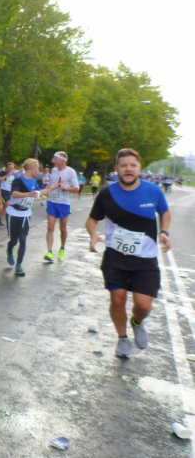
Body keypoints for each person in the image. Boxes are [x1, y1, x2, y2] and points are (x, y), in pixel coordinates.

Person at [86, 148, 171, 358]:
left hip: (145, 259)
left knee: (143, 305)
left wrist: (164, 232)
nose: (128, 169)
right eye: (124, 165)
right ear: (117, 169)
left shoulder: (153, 191)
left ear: (139, 167)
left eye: (133, 165)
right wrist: (93, 235)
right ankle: (122, 338)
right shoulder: (107, 194)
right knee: (118, 300)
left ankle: (137, 322)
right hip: (115, 257)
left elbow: (165, 212)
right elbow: (92, 220)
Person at [5, 159, 57, 276]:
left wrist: (54, 187)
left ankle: (19, 265)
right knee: (14, 240)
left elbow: (40, 192)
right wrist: (28, 194)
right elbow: (14, 194)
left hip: (25, 214)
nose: (38, 170)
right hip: (14, 213)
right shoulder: (18, 180)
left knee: (23, 239)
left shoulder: (33, 181)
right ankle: (9, 251)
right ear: (31, 168)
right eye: (37, 168)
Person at [43, 152, 80, 262]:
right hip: (52, 201)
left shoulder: (70, 172)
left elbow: (76, 188)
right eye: (53, 159)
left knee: (63, 229)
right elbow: (51, 183)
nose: (53, 161)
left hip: (63, 203)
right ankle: (49, 252)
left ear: (63, 160)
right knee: (50, 227)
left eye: (55, 159)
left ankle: (62, 249)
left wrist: (64, 188)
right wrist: (45, 191)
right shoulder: (53, 170)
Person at [0, 162, 16, 227]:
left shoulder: (14, 174)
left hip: (10, 191)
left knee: (6, 206)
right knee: (7, 204)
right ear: (6, 168)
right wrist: (7, 175)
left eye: (12, 168)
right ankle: (8, 220)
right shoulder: (3, 172)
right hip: (3, 191)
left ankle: (0, 219)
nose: (11, 170)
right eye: (9, 168)